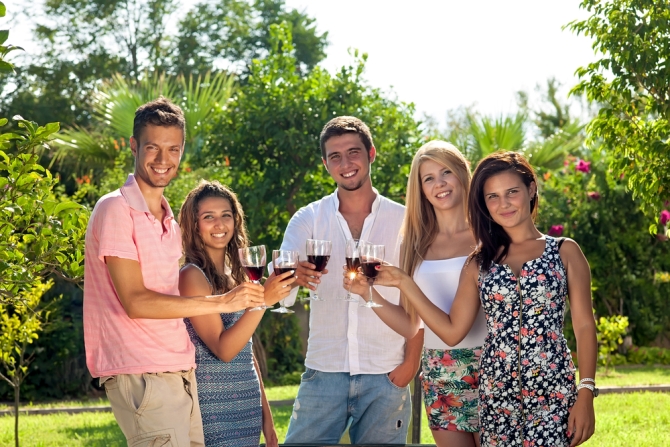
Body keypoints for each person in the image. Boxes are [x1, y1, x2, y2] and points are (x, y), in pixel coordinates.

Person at [353, 151, 598, 447]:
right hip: (495, 394)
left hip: (553, 388)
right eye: (493, 197)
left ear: (531, 189)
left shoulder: (564, 251)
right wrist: (399, 283)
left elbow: (585, 326)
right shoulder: (479, 262)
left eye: (512, 192)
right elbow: (451, 331)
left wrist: (586, 391)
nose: (504, 203)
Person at [83, 97, 266, 446]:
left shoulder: (169, 221)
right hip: (142, 373)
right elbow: (136, 302)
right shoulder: (115, 209)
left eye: (173, 149)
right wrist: (223, 302)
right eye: (152, 147)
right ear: (134, 146)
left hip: (181, 372)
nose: (163, 160)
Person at [279, 116, 423, 445]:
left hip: (386, 373)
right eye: (335, 156)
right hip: (324, 371)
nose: (345, 164)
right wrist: (294, 276)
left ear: (371, 153)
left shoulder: (405, 220)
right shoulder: (308, 218)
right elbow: (280, 280)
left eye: (353, 152)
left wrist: (410, 364)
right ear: (325, 164)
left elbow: (419, 298)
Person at [345, 140, 487, 447]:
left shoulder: (487, 235)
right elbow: (412, 325)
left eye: (446, 172)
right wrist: (368, 295)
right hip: (439, 371)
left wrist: (404, 282)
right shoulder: (415, 243)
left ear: (463, 173)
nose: (440, 184)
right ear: (420, 189)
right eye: (429, 178)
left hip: (491, 366)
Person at [178, 180, 295, 447]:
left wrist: (267, 418)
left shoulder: (238, 275)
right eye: (208, 217)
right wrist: (263, 300)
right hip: (213, 408)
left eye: (226, 215)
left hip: (248, 405)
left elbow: (245, 350)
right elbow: (224, 350)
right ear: (194, 225)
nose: (219, 224)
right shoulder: (191, 276)